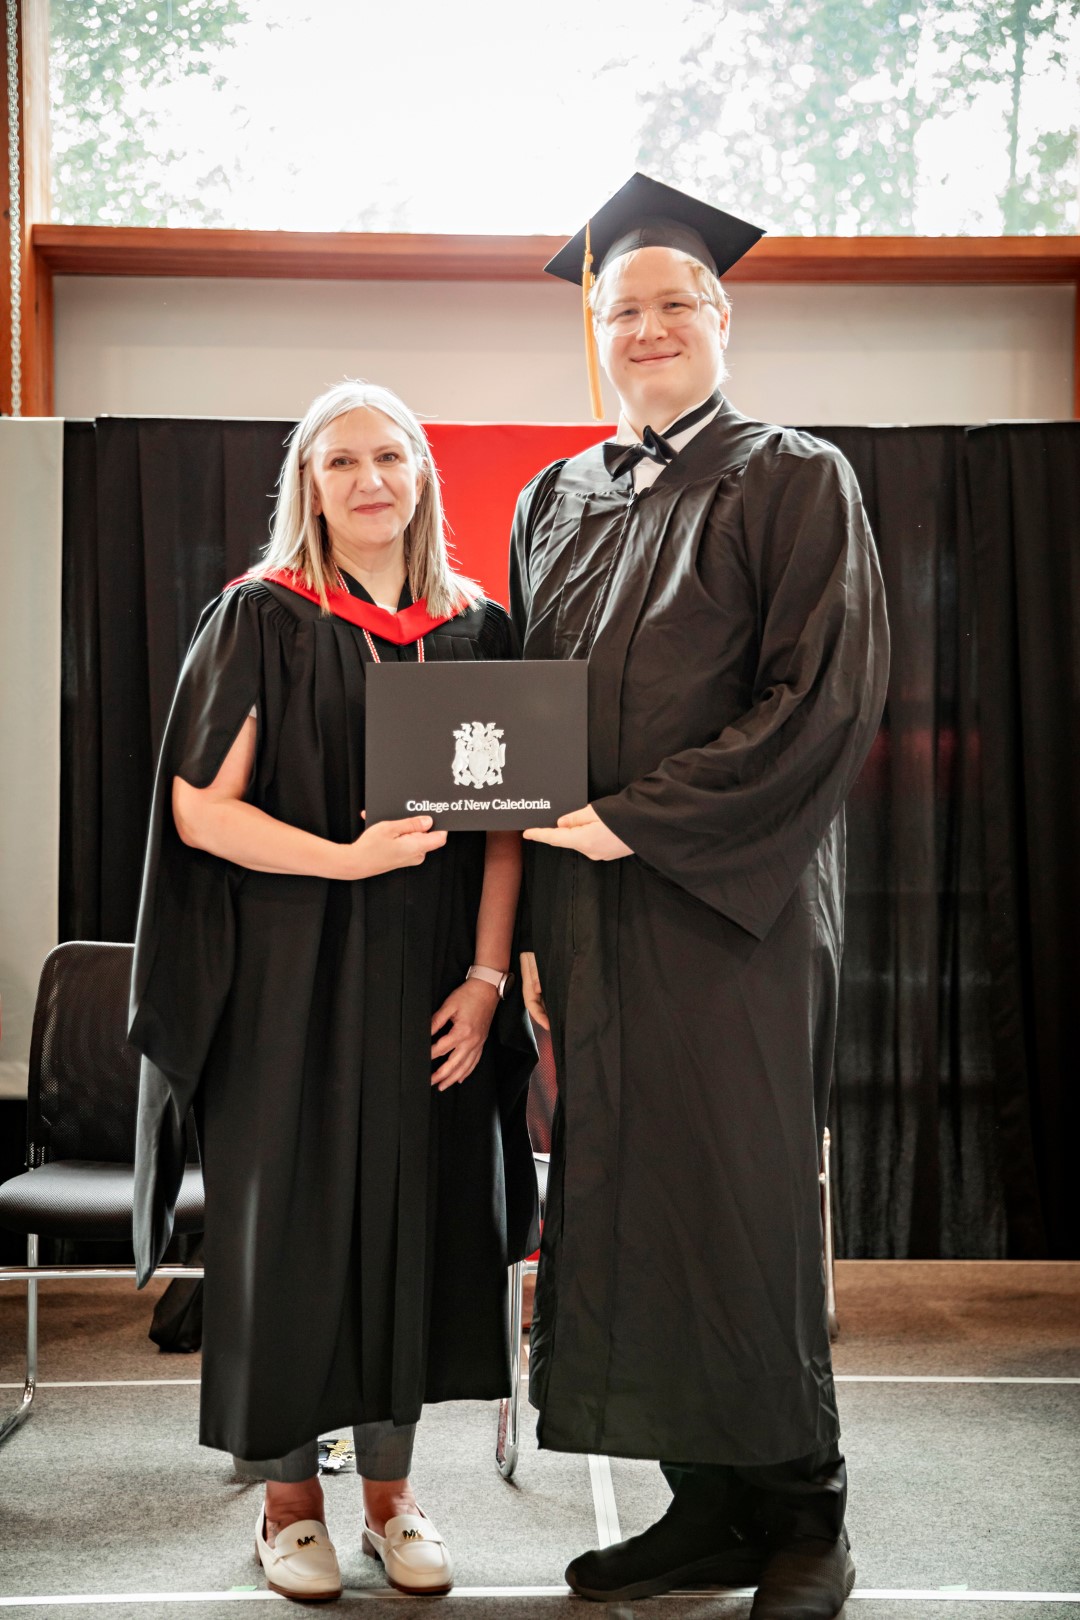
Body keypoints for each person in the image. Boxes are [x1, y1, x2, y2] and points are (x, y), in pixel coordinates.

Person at [510, 174, 889, 1619]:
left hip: (735, 917)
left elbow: (821, 701)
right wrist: (530, 925)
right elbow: (525, 721)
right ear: (597, 333)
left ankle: (804, 1514)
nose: (651, 327)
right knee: (627, 1208)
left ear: (724, 319)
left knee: (739, 1207)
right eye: (625, 310)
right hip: (592, 922)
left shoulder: (793, 477)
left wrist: (634, 821)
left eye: (677, 303)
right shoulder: (556, 499)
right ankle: (706, 1507)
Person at [129, 380, 538, 1602]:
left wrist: (487, 980)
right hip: (285, 991)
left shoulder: (475, 629)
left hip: (428, 985)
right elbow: (202, 812)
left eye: (390, 457)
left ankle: (394, 1502)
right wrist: (349, 859)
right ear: (307, 484)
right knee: (290, 1245)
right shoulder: (261, 618)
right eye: (342, 460)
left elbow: (505, 828)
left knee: (410, 1233)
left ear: (422, 476)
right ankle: (288, 1509)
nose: (369, 480)